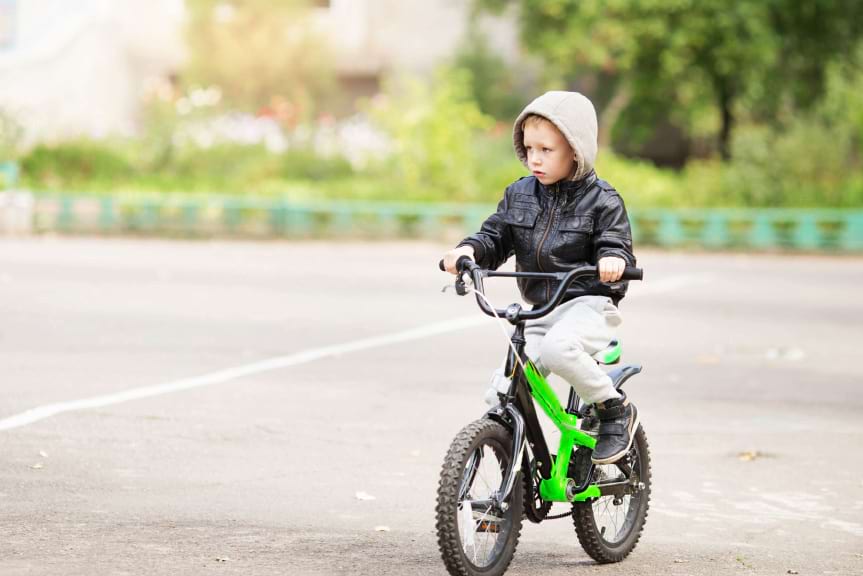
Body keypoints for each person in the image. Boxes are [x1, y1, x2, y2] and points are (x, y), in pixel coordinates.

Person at [441, 91, 638, 465]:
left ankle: (614, 409)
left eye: (546, 150)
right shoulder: (519, 194)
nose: (534, 158)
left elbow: (616, 243)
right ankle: (507, 484)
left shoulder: (603, 200)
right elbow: (495, 236)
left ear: (575, 151)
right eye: (529, 148)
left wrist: (612, 258)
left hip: (588, 306)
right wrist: (468, 251)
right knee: (502, 388)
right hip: (540, 310)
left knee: (557, 351)